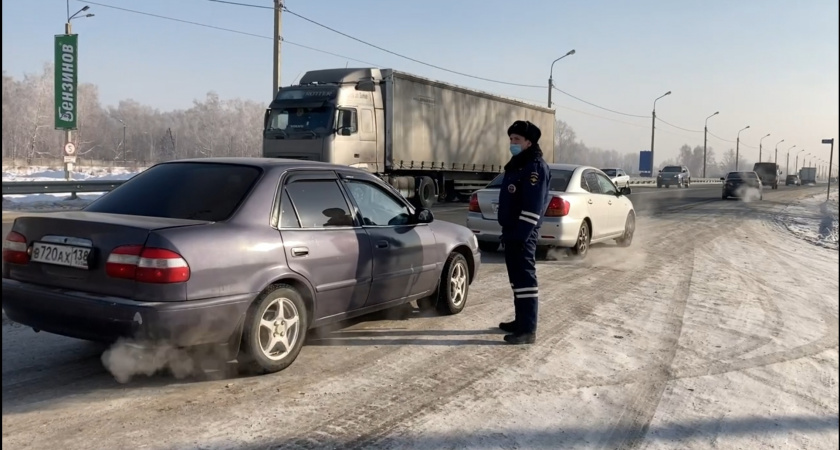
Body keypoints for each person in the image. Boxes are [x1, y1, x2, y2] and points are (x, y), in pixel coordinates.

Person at [496, 120, 551, 345]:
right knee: (516, 280)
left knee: (526, 280)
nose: (512, 143)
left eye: (517, 139)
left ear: (529, 142)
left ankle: (528, 330)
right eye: (511, 139)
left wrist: (521, 235)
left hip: (523, 234)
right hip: (512, 232)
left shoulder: (534, 168)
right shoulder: (518, 164)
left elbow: (532, 207)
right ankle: (520, 321)